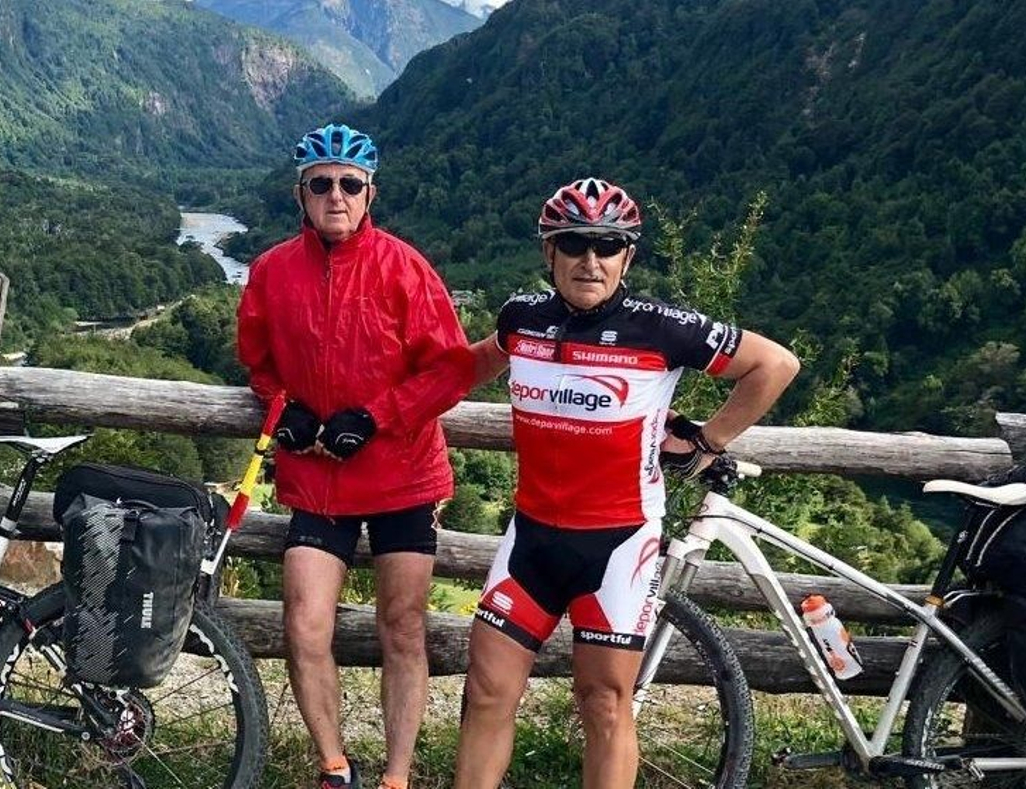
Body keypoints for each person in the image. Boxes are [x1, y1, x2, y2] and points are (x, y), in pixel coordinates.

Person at [453, 177, 800, 788]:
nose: (591, 260)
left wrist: (709, 439)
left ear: (627, 257)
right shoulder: (521, 318)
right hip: (530, 536)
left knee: (605, 705)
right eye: (575, 244)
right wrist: (389, 397)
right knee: (486, 691)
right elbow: (473, 362)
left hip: (617, 543)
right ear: (549, 253)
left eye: (607, 246)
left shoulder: (659, 329)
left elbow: (774, 365)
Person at [236, 123, 472, 789]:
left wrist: (375, 416)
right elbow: (257, 361)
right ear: (300, 194)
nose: (335, 195)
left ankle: (397, 776)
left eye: (349, 184)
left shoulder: (406, 268)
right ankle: (335, 767)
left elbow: (449, 370)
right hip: (318, 478)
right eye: (322, 184)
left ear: (370, 193)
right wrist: (287, 407)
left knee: (402, 628)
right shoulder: (272, 271)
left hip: (403, 473)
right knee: (304, 624)